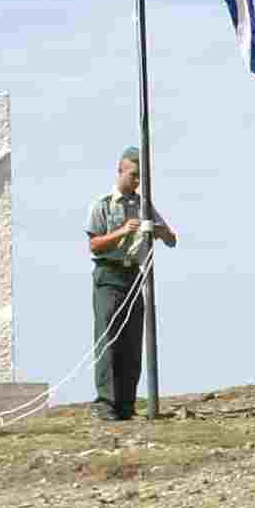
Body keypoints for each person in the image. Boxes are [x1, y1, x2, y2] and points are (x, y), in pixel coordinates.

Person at [86, 147, 176, 421]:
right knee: (108, 340)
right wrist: (122, 232)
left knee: (133, 340)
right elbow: (94, 244)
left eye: (140, 176)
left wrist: (157, 230)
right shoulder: (102, 204)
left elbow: (171, 239)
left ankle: (127, 405)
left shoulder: (144, 205)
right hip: (109, 275)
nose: (137, 181)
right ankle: (106, 404)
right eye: (133, 175)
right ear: (120, 171)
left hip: (133, 276)